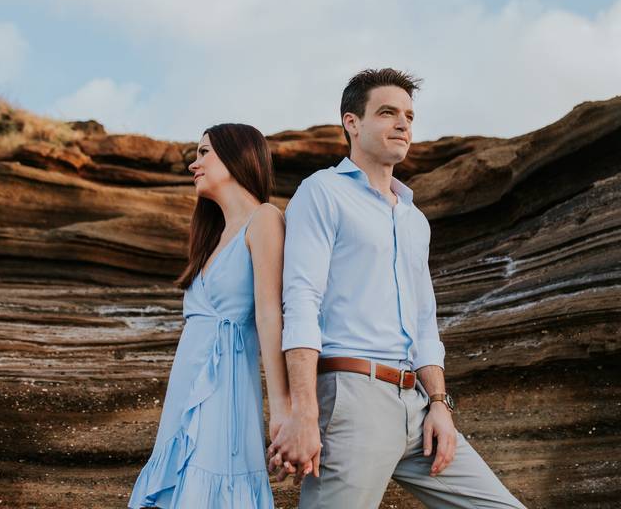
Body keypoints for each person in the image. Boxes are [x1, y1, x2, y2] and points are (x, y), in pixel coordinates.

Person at [267, 69, 527, 508]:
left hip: (419, 405)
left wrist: (440, 405)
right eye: (387, 113)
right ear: (352, 122)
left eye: (409, 115)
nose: (403, 124)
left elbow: (425, 321)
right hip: (353, 398)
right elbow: (301, 301)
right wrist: (304, 411)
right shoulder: (323, 192)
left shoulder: (413, 218)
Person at [129, 122, 305, 508]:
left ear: (237, 157)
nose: (194, 164)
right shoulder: (211, 237)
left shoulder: (265, 219)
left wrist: (282, 410)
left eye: (203, 152)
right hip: (186, 387)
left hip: (226, 389)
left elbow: (270, 316)